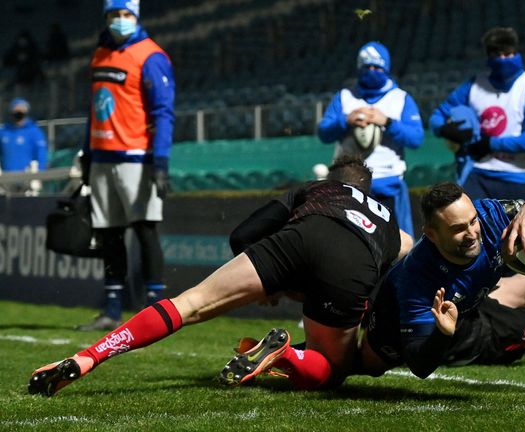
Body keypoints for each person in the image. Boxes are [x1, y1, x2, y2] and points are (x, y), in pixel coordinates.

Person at [28, 156, 410, 397]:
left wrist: (273, 279)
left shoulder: (314, 189)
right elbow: (404, 258)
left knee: (189, 303)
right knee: (334, 371)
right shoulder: (390, 221)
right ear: (368, 190)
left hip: (297, 239)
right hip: (352, 261)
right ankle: (288, 355)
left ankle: (89, 357)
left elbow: (242, 235)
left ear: (333, 177)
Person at [236, 183, 525, 382]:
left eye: (473, 221)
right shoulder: (420, 279)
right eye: (459, 230)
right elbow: (418, 366)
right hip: (446, 332)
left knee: (521, 287)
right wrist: (444, 333)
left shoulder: (491, 216)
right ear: (430, 236)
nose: (473, 232)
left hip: (465, 304)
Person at [77, 0, 175, 331]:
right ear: (105, 17)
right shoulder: (100, 54)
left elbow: (163, 113)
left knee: (145, 229)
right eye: (113, 15)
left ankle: (156, 311)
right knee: (108, 234)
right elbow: (93, 108)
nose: (120, 20)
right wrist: (87, 152)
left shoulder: (151, 56)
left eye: (126, 15)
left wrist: (160, 161)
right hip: (102, 158)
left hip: (137, 158)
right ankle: (112, 310)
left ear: (136, 17)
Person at [429, 27, 525, 201]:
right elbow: (436, 117)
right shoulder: (474, 85)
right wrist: (445, 130)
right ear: (488, 56)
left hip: (515, 176)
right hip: (477, 172)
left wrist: (491, 144)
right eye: (497, 55)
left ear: (516, 52)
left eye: (508, 54)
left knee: (511, 228)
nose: (503, 59)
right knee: (471, 227)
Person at [318, 41, 424, 236]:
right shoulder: (345, 97)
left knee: (399, 246)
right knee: (350, 244)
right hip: (350, 186)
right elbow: (323, 132)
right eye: (366, 66)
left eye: (377, 67)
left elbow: (416, 138)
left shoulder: (400, 98)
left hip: (388, 185)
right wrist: (345, 120)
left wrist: (388, 122)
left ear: (386, 68)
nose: (371, 71)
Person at [0, 98, 48, 195]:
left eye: (21, 111)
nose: (19, 113)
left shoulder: (34, 132)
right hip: (6, 179)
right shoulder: (4, 132)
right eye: (16, 110)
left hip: (27, 179)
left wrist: (39, 175)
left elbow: (41, 154)